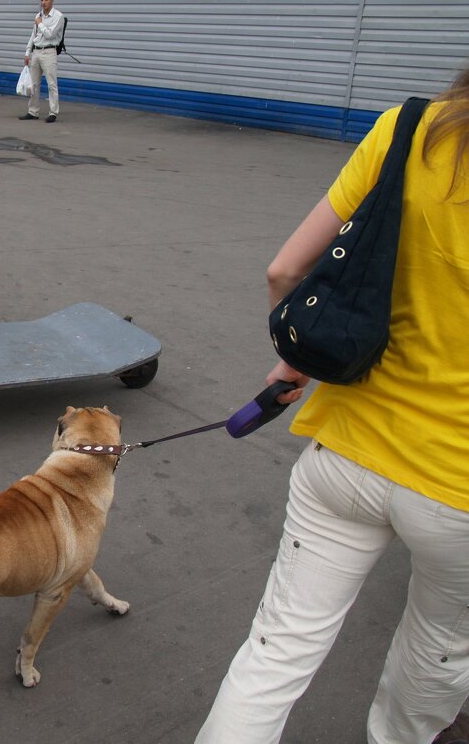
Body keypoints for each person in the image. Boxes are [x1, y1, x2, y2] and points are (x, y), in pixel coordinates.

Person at [195, 74, 469, 744]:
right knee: (433, 659)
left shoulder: (408, 130)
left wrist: (296, 362)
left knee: (275, 653)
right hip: (457, 495)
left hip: (343, 456)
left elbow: (285, 271)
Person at [19, 0, 64, 123]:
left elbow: (50, 34)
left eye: (46, 0)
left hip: (49, 52)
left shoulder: (58, 17)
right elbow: (34, 35)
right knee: (34, 84)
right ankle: (33, 111)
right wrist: (28, 52)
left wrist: (40, 23)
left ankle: (53, 112)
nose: (43, 2)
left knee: (51, 84)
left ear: (52, 0)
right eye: (42, 0)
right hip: (37, 52)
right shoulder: (39, 15)